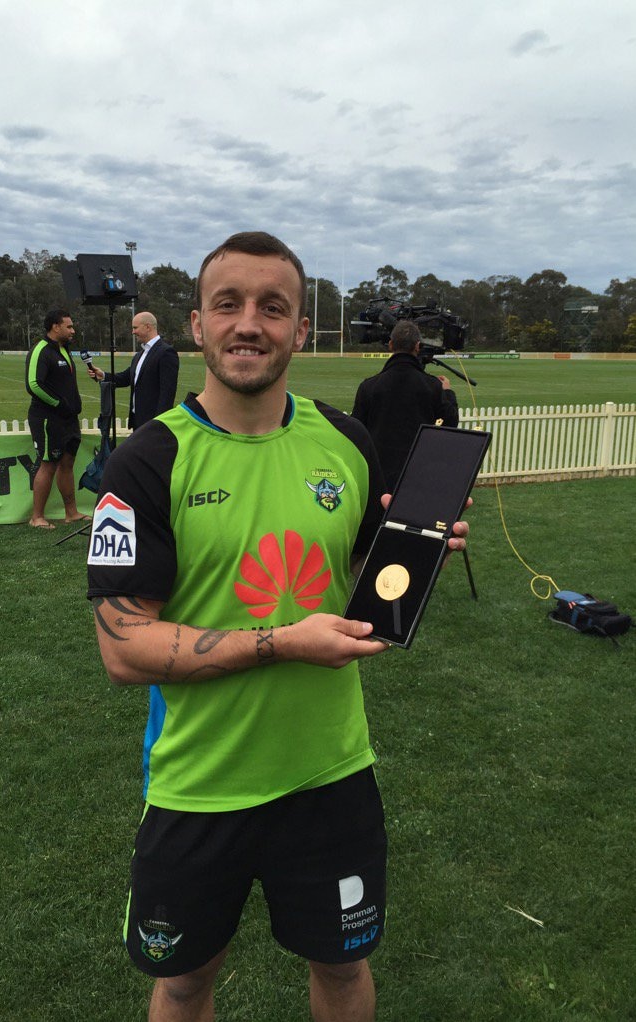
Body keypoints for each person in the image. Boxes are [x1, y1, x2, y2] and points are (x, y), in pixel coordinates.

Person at [86, 232, 469, 1022]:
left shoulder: (346, 442)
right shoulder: (148, 461)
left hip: (330, 774)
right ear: (199, 324)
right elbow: (123, 648)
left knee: (342, 969)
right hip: (199, 784)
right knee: (185, 982)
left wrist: (416, 551)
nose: (248, 323)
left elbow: (368, 587)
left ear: (300, 330)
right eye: (228, 304)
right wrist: (281, 642)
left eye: (272, 307)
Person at [351, 319, 460, 492]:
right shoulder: (431, 386)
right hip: (419, 475)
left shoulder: (369, 386)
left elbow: (356, 432)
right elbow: (451, 422)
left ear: (391, 345)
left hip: (377, 477)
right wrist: (447, 392)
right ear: (417, 346)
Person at [25, 308, 89, 529]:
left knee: (67, 463)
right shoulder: (41, 350)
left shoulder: (64, 349)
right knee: (48, 464)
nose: (73, 330)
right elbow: (33, 384)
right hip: (47, 418)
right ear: (55, 326)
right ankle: (37, 517)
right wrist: (59, 405)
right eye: (69, 326)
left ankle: (71, 513)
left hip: (68, 419)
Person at [87, 311, 179, 430]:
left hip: (153, 423)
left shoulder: (166, 352)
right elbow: (126, 378)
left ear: (148, 327)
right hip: (137, 421)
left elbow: (168, 392)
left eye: (135, 328)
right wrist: (103, 375)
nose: (133, 332)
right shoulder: (139, 355)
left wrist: (159, 423)